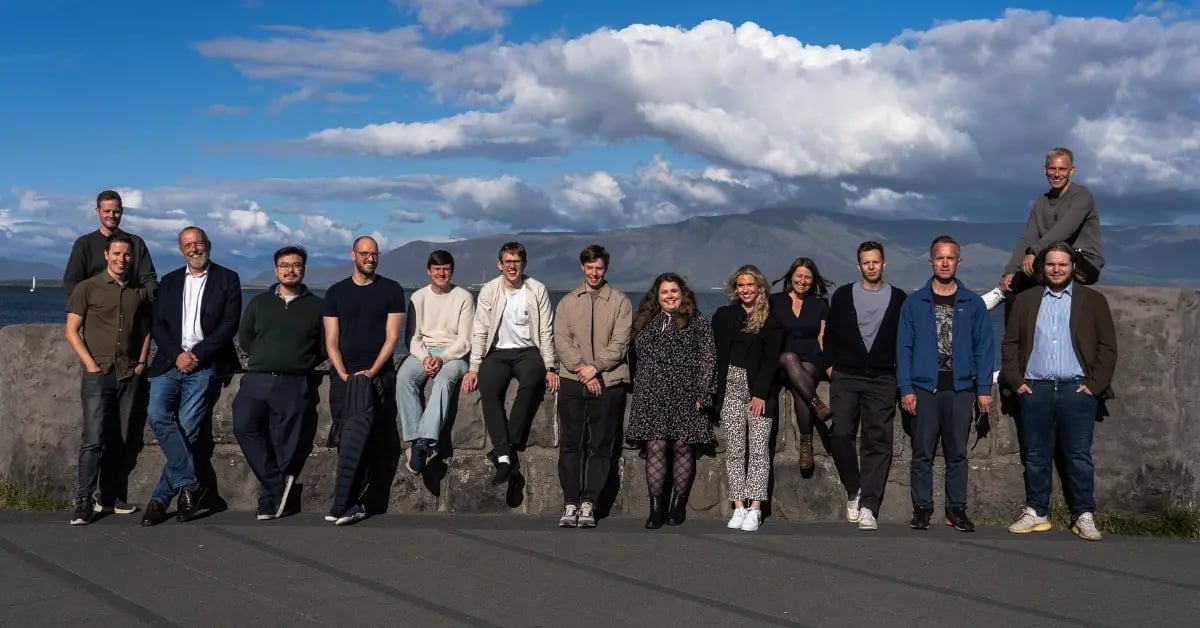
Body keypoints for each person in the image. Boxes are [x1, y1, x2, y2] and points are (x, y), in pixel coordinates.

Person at [1002, 242, 1117, 541]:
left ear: (1073, 267)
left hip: (1076, 390)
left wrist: (1093, 386)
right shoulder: (1025, 300)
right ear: (1042, 268)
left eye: (1062, 264)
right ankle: (1036, 511)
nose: (1056, 269)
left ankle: (1083, 514)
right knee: (1036, 455)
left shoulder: (1092, 301)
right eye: (1051, 264)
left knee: (1078, 455)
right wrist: (1018, 382)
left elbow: (1107, 347)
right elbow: (1011, 343)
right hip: (1035, 389)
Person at [142, 227, 242, 526]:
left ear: (208, 245)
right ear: (181, 249)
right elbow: (158, 324)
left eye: (198, 243)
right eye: (188, 245)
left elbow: (228, 326)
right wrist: (177, 355)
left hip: (204, 365)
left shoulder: (228, 278)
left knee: (187, 429)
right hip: (169, 364)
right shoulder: (170, 281)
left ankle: (160, 500)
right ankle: (190, 484)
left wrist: (196, 354)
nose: (194, 249)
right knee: (157, 414)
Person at [897, 235, 995, 533]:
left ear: (958, 262)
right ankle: (922, 509)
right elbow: (903, 348)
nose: (944, 262)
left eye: (949, 257)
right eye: (939, 257)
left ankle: (956, 509)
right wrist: (906, 388)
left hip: (961, 389)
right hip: (925, 389)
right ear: (931, 262)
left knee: (958, 453)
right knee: (922, 452)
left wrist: (984, 390)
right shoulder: (914, 303)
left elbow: (984, 348)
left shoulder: (973, 303)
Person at [63, 233, 152, 525]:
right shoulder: (87, 288)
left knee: (121, 437)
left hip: (128, 373)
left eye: (126, 255)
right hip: (98, 373)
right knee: (93, 439)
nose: (121, 259)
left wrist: (141, 362)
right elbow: (72, 330)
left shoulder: (139, 291)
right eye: (116, 254)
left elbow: (145, 329)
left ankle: (109, 497)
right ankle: (84, 500)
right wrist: (89, 365)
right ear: (106, 255)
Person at [232, 245, 325, 521]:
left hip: (294, 381)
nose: (290, 270)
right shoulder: (259, 303)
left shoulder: (317, 306)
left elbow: (323, 346)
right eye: (284, 265)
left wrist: (299, 360)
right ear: (276, 270)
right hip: (257, 379)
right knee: (243, 426)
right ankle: (277, 483)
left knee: (284, 442)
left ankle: (268, 501)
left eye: (296, 265)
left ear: (304, 269)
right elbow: (245, 337)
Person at [823, 241, 907, 531]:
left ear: (884, 264)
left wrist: (901, 375)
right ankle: (854, 488)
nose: (871, 266)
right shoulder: (843, 296)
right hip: (846, 374)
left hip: (883, 377)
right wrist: (829, 364)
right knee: (841, 432)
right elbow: (830, 334)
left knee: (877, 440)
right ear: (858, 266)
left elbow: (903, 341)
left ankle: (869, 506)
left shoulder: (899, 298)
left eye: (876, 261)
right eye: (866, 262)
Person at [460, 242, 559, 487]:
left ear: (523, 264)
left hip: (528, 351)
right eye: (507, 262)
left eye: (516, 262)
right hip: (498, 352)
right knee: (489, 386)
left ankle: (505, 449)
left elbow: (546, 330)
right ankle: (505, 455)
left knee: (532, 382)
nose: (512, 266)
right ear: (500, 264)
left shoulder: (537, 290)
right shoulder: (490, 291)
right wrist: (474, 367)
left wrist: (550, 366)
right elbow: (480, 330)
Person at [323, 236, 406, 526]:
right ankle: (346, 500)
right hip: (343, 377)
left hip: (377, 377)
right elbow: (331, 340)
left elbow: (392, 338)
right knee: (346, 437)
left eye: (374, 254)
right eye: (365, 254)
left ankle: (352, 502)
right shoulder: (335, 292)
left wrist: (372, 372)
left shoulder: (392, 290)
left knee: (368, 439)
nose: (370, 258)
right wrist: (344, 373)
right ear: (353, 255)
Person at [625, 272, 716, 529]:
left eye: (674, 291)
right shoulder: (644, 321)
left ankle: (677, 505)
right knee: (654, 447)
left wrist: (703, 392)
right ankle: (656, 509)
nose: (669, 296)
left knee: (682, 447)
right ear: (657, 295)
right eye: (664, 292)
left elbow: (708, 359)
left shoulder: (697, 321)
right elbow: (633, 357)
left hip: (686, 393)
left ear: (682, 293)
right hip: (651, 394)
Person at [553, 244, 632, 529]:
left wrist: (596, 368)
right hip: (573, 381)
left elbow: (620, 343)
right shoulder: (567, 303)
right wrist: (583, 371)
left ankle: (589, 502)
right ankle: (570, 502)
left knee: (600, 445)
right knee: (571, 444)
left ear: (605, 269)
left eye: (599, 267)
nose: (594, 272)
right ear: (582, 268)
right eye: (590, 267)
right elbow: (561, 341)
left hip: (609, 382)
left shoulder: (620, 302)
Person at [990, 147, 1104, 311]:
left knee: (1046, 263)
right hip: (1049, 259)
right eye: (1052, 168)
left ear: (1071, 171)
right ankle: (1006, 307)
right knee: (1014, 291)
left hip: (1083, 262)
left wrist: (1034, 251)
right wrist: (1011, 271)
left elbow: (1065, 229)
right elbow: (1028, 239)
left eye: (1062, 169)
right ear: (1045, 170)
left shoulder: (1082, 196)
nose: (1057, 174)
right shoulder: (1040, 203)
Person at [713, 265, 782, 532]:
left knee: (759, 450)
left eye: (750, 285)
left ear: (760, 288)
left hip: (759, 391)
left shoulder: (772, 320)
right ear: (735, 288)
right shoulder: (723, 316)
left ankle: (755, 508)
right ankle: (738, 506)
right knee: (734, 449)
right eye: (740, 285)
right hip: (729, 386)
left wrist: (761, 393)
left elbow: (771, 360)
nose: (745, 290)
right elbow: (717, 354)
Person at [396, 250, 474, 475]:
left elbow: (465, 340)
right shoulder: (418, 297)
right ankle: (415, 440)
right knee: (404, 378)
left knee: (443, 379)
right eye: (437, 269)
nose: (442, 273)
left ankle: (426, 441)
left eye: (446, 269)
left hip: (454, 355)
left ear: (452, 271)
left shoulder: (463, 297)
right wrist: (425, 358)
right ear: (428, 271)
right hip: (424, 352)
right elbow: (412, 338)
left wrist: (442, 358)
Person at [769, 257, 833, 469]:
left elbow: (823, 339)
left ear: (813, 280)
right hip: (782, 360)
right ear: (791, 277)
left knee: (800, 384)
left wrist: (830, 367)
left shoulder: (820, 304)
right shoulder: (774, 301)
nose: (803, 280)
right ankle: (816, 403)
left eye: (807, 277)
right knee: (789, 358)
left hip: (811, 361)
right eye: (799, 276)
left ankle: (806, 443)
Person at [63, 189, 158, 299]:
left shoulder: (136, 243)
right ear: (98, 211)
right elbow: (72, 281)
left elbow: (148, 279)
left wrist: (154, 301)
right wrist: (85, 305)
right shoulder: (84, 244)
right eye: (107, 211)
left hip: (131, 308)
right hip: (95, 309)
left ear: (121, 211)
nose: (111, 215)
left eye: (116, 211)